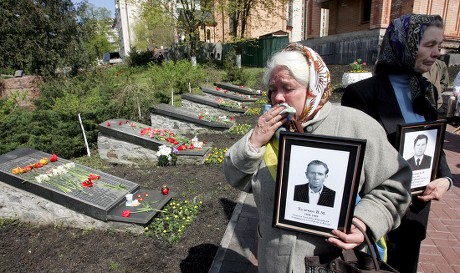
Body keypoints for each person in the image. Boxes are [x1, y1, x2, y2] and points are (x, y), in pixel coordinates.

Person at [223, 42, 412, 273]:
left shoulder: (357, 126)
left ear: (313, 87)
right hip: (274, 262)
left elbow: (394, 185)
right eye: (273, 89)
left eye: (287, 87)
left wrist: (364, 222)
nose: (277, 98)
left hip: (338, 263)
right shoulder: (270, 129)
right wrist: (254, 142)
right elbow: (235, 177)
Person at [341, 14, 455, 273]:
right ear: (404, 44)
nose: (438, 53)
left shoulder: (426, 90)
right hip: (375, 213)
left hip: (416, 211)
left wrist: (445, 180)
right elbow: (353, 163)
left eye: (439, 45)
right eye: (429, 45)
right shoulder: (362, 95)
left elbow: (433, 141)